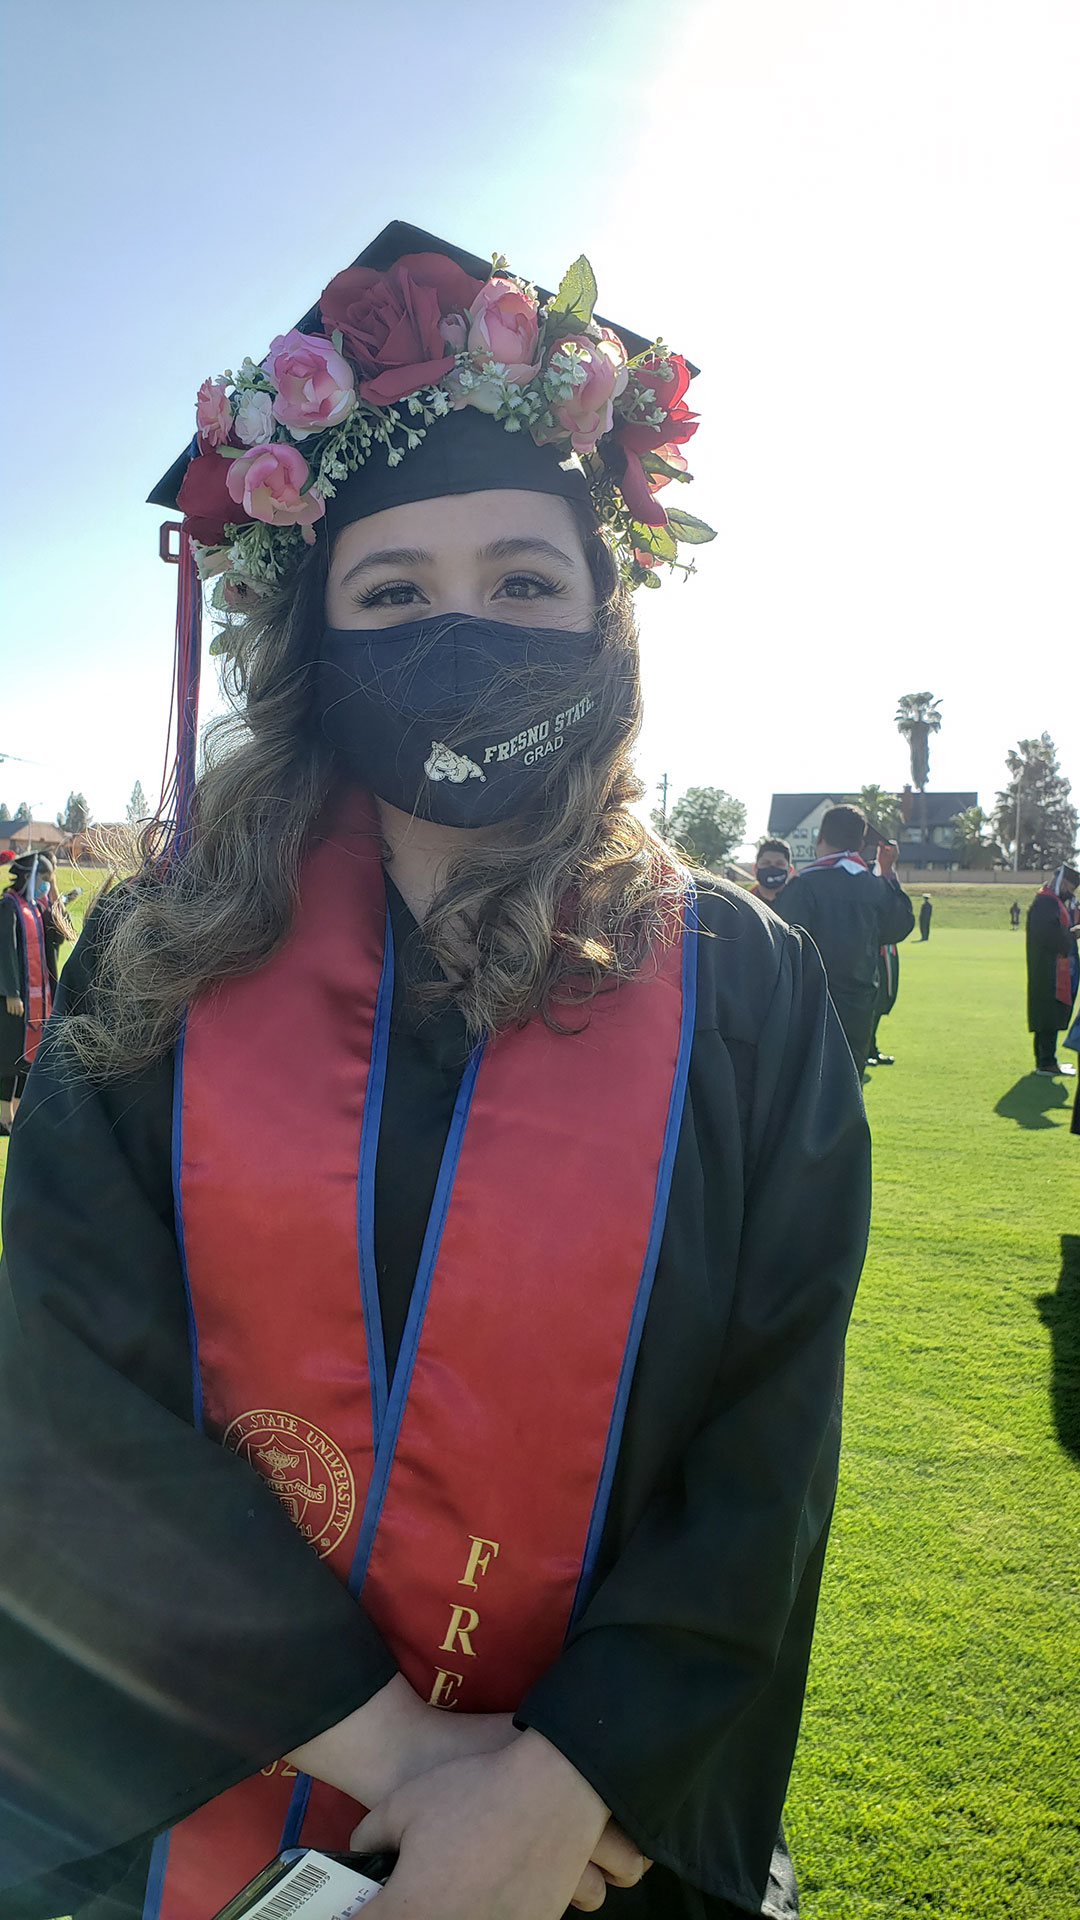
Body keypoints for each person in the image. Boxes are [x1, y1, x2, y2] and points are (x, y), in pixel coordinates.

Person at [0, 224, 870, 1920]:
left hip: (576, 1847)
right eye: (393, 593)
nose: (461, 628)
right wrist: (414, 1766)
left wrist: (568, 1784)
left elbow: (767, 1441)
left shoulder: (744, 985)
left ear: (608, 620)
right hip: (187, 1815)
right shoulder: (156, 958)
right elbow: (63, 1397)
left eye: (524, 583)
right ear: (314, 639)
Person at [774, 805, 915, 1077]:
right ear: (861, 844)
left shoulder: (804, 885)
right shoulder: (875, 886)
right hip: (859, 1006)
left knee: (807, 1084)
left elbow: (784, 945)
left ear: (819, 838)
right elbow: (900, 925)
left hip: (810, 1004)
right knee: (849, 1085)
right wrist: (888, 872)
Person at [0, 851, 53, 1135]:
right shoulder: (8, 906)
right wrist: (11, 992)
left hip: (35, 1000)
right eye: (44, 879)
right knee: (9, 1057)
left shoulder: (33, 907)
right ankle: (3, 1115)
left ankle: (18, 1112)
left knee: (26, 1057)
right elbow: (5, 950)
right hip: (13, 1000)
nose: (46, 885)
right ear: (28, 877)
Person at [1026, 864, 1080, 1077]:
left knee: (1049, 1013)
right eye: (1070, 887)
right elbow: (1050, 936)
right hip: (1049, 970)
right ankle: (1046, 1062)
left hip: (1050, 968)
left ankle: (1046, 1060)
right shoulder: (1046, 902)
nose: (1071, 892)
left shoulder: (1050, 901)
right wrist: (1073, 934)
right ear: (1062, 882)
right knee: (1048, 1014)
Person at [750, 839, 793, 906]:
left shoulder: (803, 903)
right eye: (765, 863)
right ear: (755, 869)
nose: (772, 868)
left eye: (779, 864)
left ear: (790, 870)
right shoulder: (743, 902)